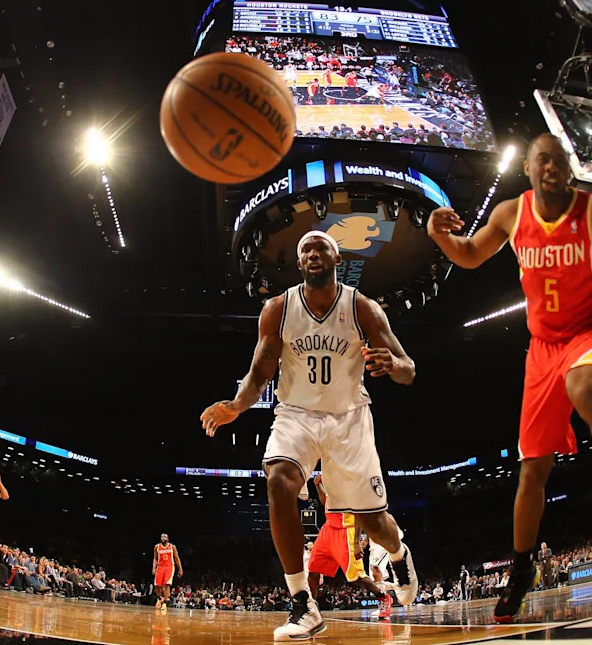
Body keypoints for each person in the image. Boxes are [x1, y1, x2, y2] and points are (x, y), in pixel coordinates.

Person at [428, 133, 592, 623]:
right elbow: (472, 254)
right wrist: (440, 237)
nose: (550, 166)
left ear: (569, 168)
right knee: (532, 471)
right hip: (542, 350)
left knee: (583, 389)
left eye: (559, 158)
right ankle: (521, 571)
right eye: (541, 158)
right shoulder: (510, 214)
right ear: (528, 169)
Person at [200, 230, 419, 641]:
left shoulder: (362, 307)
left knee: (374, 523)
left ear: (338, 259)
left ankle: (398, 553)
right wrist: (237, 405)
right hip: (297, 414)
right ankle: (303, 602)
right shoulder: (278, 309)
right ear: (299, 263)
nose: (313, 254)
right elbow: (260, 371)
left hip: (348, 419)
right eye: (306, 251)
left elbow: (409, 368)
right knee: (278, 479)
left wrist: (395, 365)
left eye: (322, 249)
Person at [307, 474, 393, 619]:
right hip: (328, 529)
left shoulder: (351, 486)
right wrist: (318, 486)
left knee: (356, 576)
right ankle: (311, 608)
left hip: (346, 531)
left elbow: (359, 515)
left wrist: (356, 543)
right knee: (313, 570)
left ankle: (383, 597)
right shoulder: (333, 483)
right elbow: (326, 503)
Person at [152, 534, 182, 611]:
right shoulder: (157, 547)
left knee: (167, 584)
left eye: (165, 537)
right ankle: (159, 598)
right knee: (157, 584)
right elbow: (155, 558)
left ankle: (165, 603)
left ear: (168, 539)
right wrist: (154, 568)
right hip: (160, 566)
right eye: (162, 537)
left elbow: (176, 558)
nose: (163, 538)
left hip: (169, 567)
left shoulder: (172, 547)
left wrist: (180, 569)